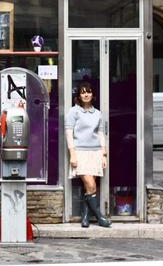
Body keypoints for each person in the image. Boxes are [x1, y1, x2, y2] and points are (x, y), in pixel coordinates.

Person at [65, 81, 112, 228]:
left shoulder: (98, 113)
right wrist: (72, 154)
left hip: (95, 152)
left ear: (93, 94)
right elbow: (68, 133)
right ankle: (100, 217)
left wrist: (104, 154)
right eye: (83, 92)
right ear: (79, 95)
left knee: (90, 188)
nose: (86, 94)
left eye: (89, 92)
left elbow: (100, 133)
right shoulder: (74, 111)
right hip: (80, 153)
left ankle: (85, 217)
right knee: (90, 184)